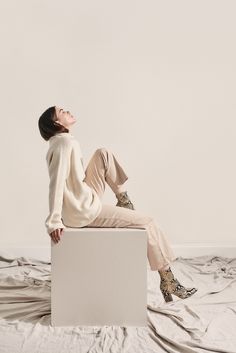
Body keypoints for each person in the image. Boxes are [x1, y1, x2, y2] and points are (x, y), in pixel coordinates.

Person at [38, 105, 198, 303]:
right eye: (62, 111)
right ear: (56, 123)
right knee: (148, 222)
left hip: (84, 197)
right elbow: (56, 183)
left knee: (102, 153)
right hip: (83, 211)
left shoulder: (64, 141)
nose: (67, 111)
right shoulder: (63, 144)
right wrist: (54, 220)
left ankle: (125, 202)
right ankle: (168, 280)